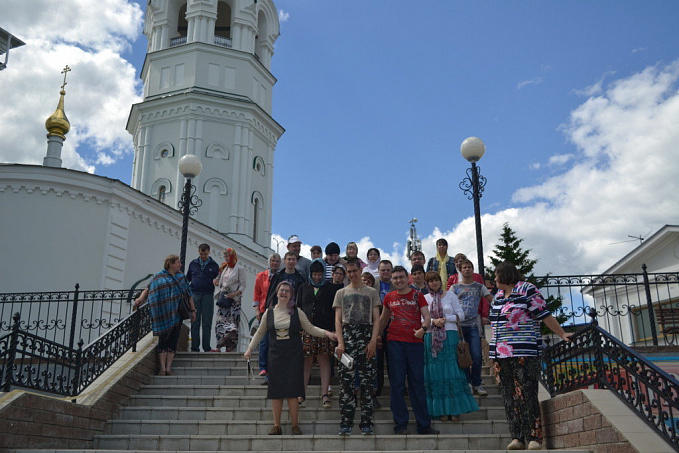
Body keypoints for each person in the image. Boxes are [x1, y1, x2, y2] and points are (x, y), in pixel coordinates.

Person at [490, 262, 572, 451]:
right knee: (509, 396)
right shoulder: (498, 297)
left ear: (506, 275)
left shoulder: (527, 289)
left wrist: (561, 333)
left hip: (524, 351)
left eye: (496, 275)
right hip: (501, 355)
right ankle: (517, 437)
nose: (494, 279)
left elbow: (544, 314)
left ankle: (534, 437)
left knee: (527, 393)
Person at [245, 281, 337, 435]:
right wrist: (249, 349)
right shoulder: (269, 313)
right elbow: (260, 333)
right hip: (275, 355)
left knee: (294, 391)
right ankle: (277, 425)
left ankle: (295, 425)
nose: (284, 293)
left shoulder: (297, 311)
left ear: (291, 294)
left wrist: (327, 333)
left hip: (293, 354)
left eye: (287, 291)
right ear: (277, 292)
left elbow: (310, 328)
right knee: (276, 391)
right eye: (282, 290)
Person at [379, 266, 439, 435]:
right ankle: (400, 424)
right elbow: (383, 320)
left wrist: (423, 329)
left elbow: (427, 317)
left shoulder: (417, 295)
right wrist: (375, 336)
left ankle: (424, 425)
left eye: (401, 277)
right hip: (395, 343)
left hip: (414, 344)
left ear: (408, 278)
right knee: (397, 385)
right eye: (395, 278)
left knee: (417, 385)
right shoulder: (389, 297)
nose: (398, 280)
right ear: (392, 280)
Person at [334, 259, 382, 436]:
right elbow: (338, 319)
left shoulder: (371, 292)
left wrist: (372, 341)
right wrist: (340, 342)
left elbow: (376, 318)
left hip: (366, 334)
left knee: (367, 384)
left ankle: (366, 423)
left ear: (360, 270)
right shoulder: (341, 292)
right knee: (346, 384)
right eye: (349, 271)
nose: (352, 274)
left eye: (354, 271)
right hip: (347, 336)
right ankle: (346, 423)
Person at [422, 271, 479, 422]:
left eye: (436, 280)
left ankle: (455, 409)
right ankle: (441, 410)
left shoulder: (451, 296)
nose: (434, 283)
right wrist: (433, 321)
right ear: (427, 283)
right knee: (436, 374)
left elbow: (461, 315)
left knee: (453, 371)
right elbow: (421, 318)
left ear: (441, 281)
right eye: (431, 281)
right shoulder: (425, 298)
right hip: (431, 337)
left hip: (450, 335)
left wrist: (446, 319)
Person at [135, 255, 196, 375]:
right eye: (178, 262)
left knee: (173, 340)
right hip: (162, 314)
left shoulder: (181, 278)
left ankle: (168, 368)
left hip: (177, 313)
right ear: (171, 264)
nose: (180, 265)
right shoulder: (158, 277)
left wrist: (193, 311)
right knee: (163, 340)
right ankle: (162, 368)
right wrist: (140, 299)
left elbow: (189, 294)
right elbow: (148, 289)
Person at [297, 259, 340, 408]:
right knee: (306, 360)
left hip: (325, 330)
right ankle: (302, 393)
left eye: (319, 274)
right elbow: (299, 308)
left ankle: (325, 394)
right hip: (306, 328)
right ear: (310, 274)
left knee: (323, 360)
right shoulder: (303, 287)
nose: (317, 277)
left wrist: (334, 330)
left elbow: (334, 311)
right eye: (314, 274)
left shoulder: (330, 288)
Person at [261, 252, 306, 376]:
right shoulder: (278, 276)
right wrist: (269, 310)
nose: (291, 261)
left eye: (293, 259)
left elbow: (301, 297)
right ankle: (267, 369)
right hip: (277, 311)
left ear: (296, 261)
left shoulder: (300, 278)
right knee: (272, 341)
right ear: (284, 261)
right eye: (289, 259)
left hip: (292, 312)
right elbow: (270, 294)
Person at [452, 259, 492, 395]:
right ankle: (467, 382)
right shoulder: (455, 288)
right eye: (464, 267)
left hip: (474, 326)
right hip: (459, 327)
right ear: (460, 270)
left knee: (476, 355)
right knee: (463, 355)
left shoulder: (479, 287)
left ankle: (477, 383)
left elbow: (491, 300)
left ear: (472, 269)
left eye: (469, 267)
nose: (467, 269)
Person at [186, 244, 220, 352]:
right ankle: (195, 347)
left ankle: (206, 347)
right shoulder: (193, 264)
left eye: (205, 254)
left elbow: (219, 278)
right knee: (195, 321)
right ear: (198, 252)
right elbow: (188, 279)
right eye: (201, 254)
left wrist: (216, 281)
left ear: (209, 252)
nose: (203, 256)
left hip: (208, 295)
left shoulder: (214, 265)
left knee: (207, 322)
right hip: (195, 294)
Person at [213, 248, 246, 352]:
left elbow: (243, 285)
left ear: (233, 256)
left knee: (232, 327)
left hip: (234, 301)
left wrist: (234, 294)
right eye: (225, 256)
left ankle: (230, 348)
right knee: (220, 323)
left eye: (228, 256)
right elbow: (219, 280)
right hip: (223, 298)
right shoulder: (224, 268)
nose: (226, 258)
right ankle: (218, 346)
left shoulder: (240, 269)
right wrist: (216, 281)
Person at [253, 253, 281, 376]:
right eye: (273, 260)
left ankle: (273, 365)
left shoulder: (281, 276)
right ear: (269, 262)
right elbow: (257, 294)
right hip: (264, 311)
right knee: (264, 340)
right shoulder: (261, 276)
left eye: (277, 261)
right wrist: (257, 310)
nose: (275, 263)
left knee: (274, 340)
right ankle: (263, 366)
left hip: (277, 311)